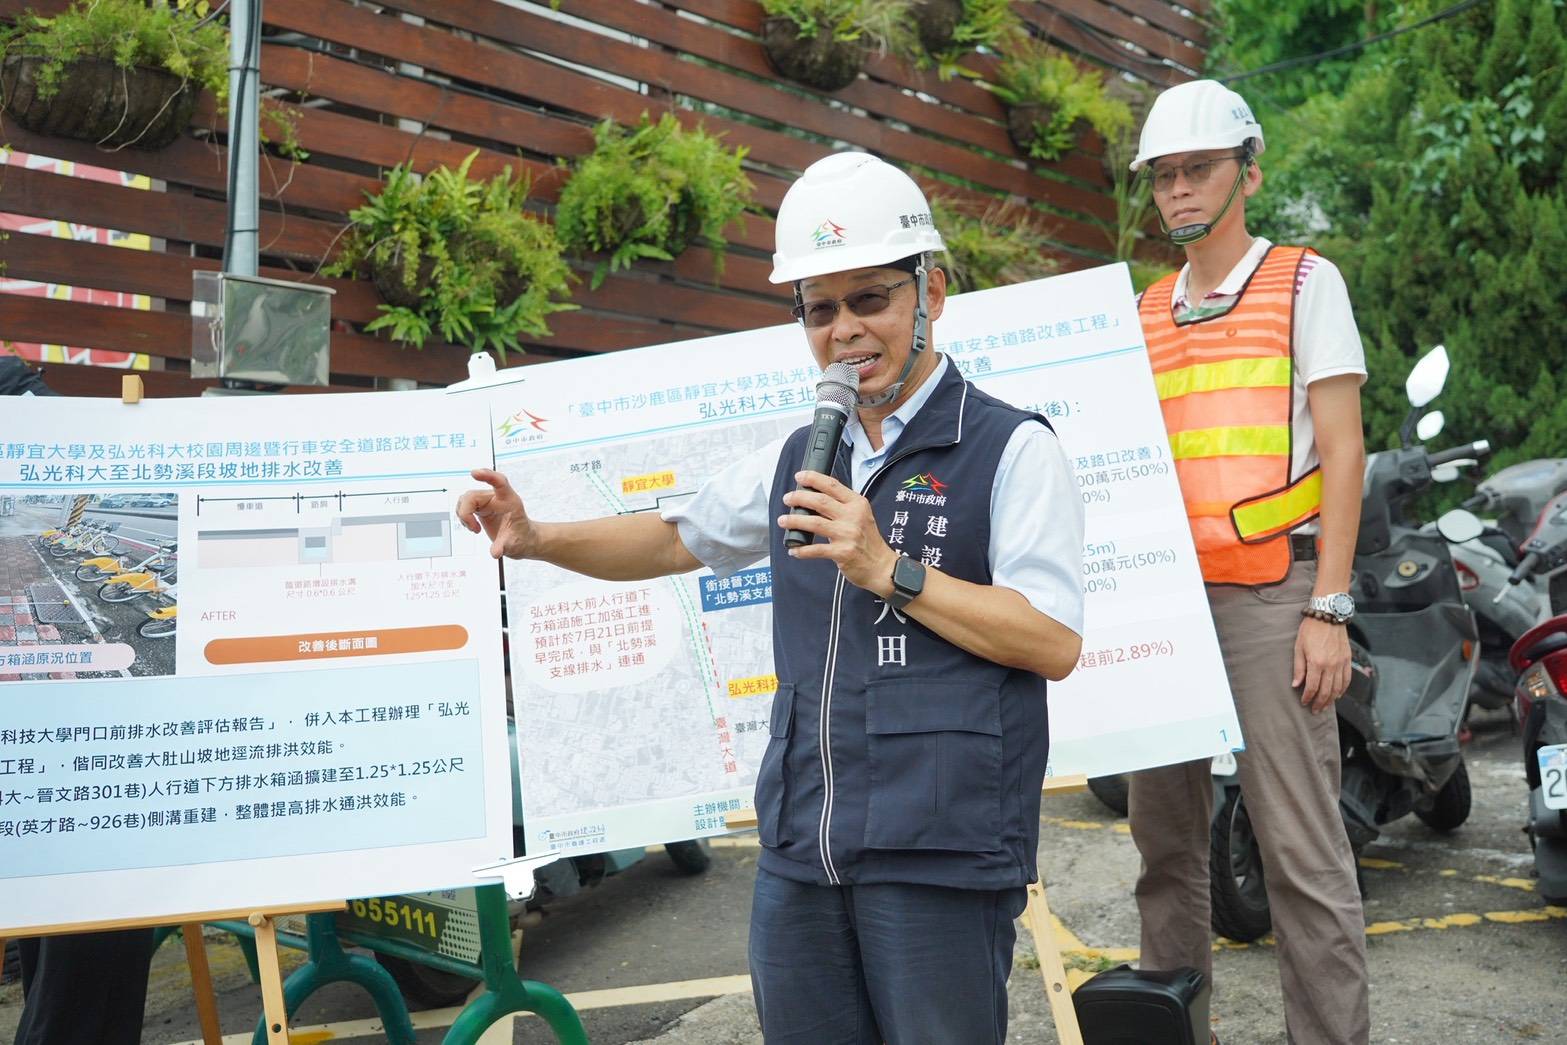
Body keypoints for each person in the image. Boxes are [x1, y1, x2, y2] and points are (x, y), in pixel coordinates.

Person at [457, 151, 1084, 1044]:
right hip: (802, 841)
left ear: (931, 291)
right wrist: (537, 537)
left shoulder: (1011, 448)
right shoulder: (802, 452)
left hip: (939, 846)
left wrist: (888, 568)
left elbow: (1051, 639)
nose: (844, 331)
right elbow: (676, 536)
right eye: (818, 309)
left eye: (869, 298)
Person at [1125, 80, 1370, 1045]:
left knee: (1301, 855)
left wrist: (1330, 605)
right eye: (1164, 176)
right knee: (1164, 855)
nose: (1179, 190)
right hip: (1165, 611)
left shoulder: (1306, 282)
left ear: (1246, 173)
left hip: (1276, 595)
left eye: (1198, 169)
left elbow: (1343, 451)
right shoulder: (1144, 309)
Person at [3, 355, 159, 1045]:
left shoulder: (32, 409)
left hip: (55, 735)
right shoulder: (37, 410)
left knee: (64, 936)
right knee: (84, 947)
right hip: (80, 747)